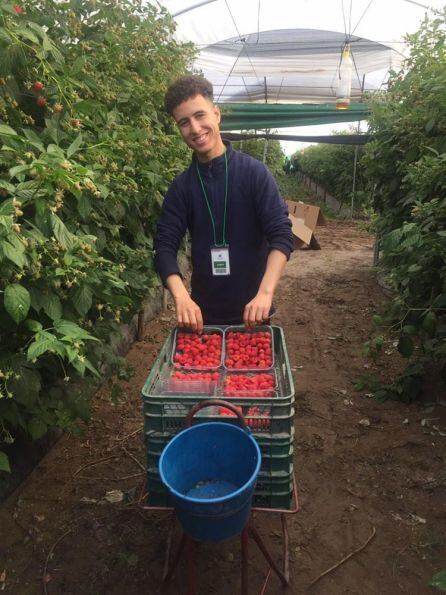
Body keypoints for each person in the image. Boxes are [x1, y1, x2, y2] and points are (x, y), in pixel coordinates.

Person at [154, 75, 294, 333]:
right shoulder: (182, 187)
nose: (195, 129)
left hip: (254, 315)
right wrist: (181, 296)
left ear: (216, 114)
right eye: (184, 122)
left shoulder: (254, 173)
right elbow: (164, 246)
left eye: (200, 115)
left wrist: (265, 293)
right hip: (202, 320)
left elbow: (282, 235)